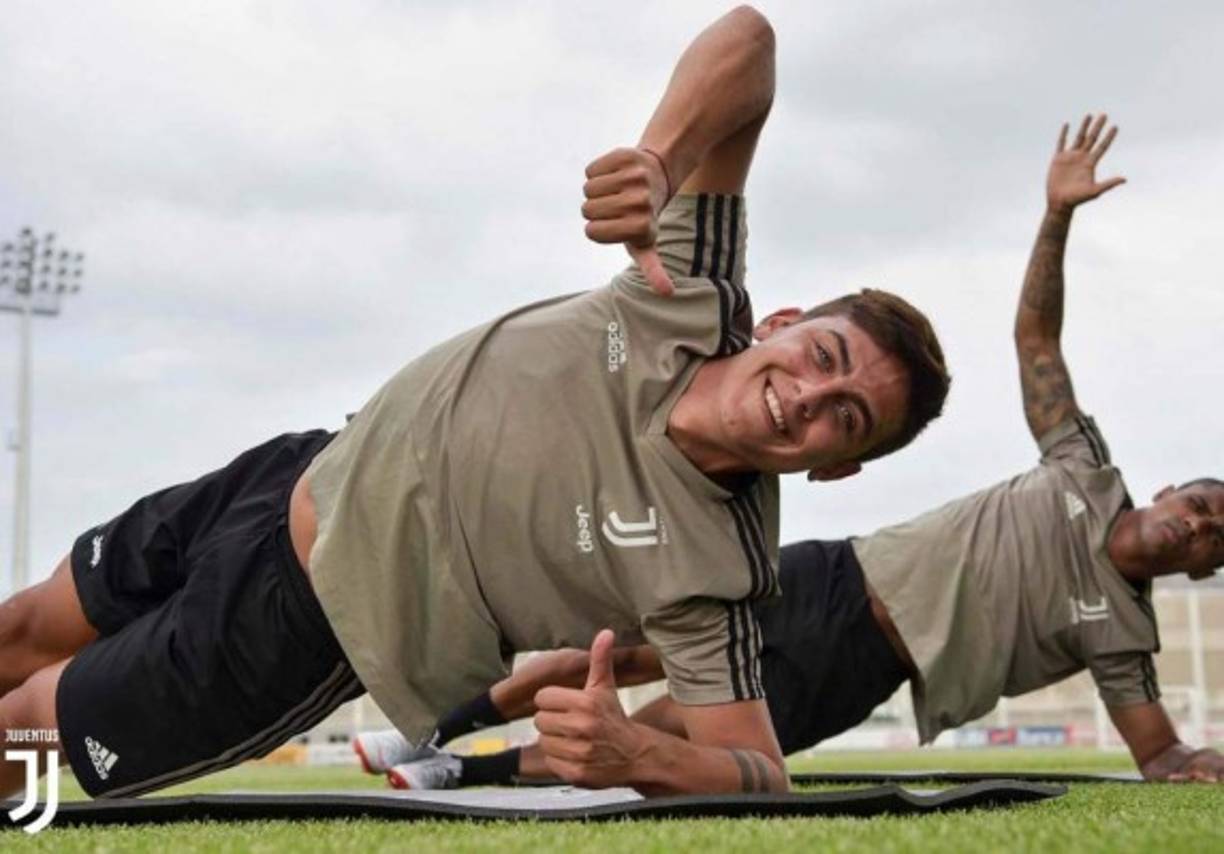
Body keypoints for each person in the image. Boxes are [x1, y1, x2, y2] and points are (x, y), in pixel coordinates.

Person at [0, 7, 951, 800]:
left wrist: (640, 755)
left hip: (303, 629)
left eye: (845, 417)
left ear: (836, 465)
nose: (809, 397)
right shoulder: (691, 295)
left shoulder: (720, 571)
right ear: (782, 322)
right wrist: (662, 161)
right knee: (24, 625)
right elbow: (750, 42)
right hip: (290, 473)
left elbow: (763, 776)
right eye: (823, 356)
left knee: (30, 722)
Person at [355, 115, 1224, 790]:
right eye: (1204, 502)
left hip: (871, 661)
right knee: (613, 645)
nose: (1200, 526)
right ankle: (429, 724)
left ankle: (458, 775)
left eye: (1218, 538)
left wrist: (1191, 762)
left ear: (1203, 567)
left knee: (669, 730)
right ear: (1172, 486)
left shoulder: (1125, 633)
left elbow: (1158, 751)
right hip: (838, 573)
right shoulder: (1083, 464)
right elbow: (1037, 336)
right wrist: (1057, 215)